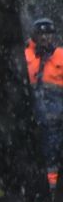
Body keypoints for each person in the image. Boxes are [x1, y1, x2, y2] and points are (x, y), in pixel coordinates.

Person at [28, 18, 63, 177]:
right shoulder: (24, 55)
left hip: (55, 120)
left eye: (48, 34)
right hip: (30, 118)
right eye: (41, 34)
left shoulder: (61, 56)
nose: (45, 38)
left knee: (52, 156)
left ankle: (53, 191)